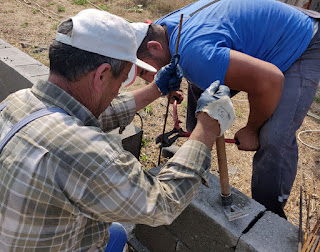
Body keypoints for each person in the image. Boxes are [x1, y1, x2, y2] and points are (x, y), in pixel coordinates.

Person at [0, 9, 235, 251]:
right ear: (101, 74)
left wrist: (156, 89)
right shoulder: (85, 154)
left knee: (115, 233)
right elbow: (163, 203)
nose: (117, 91)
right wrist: (206, 127)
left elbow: (85, 114)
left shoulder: (16, 102)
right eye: (121, 81)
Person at [133, 0, 320, 218]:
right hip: (269, 37)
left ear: (154, 47)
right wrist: (168, 82)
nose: (148, 79)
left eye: (143, 72)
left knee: (274, 136)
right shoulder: (159, 29)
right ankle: (195, 158)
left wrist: (251, 129)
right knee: (200, 84)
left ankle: (268, 215)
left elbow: (270, 81)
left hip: (304, 43)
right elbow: (188, 62)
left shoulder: (194, 52)